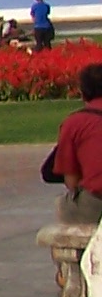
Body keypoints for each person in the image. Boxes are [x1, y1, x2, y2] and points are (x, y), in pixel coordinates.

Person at [45, 63, 102, 224]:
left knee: (63, 205)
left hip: (96, 203)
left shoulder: (75, 123)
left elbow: (71, 180)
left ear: (83, 93)